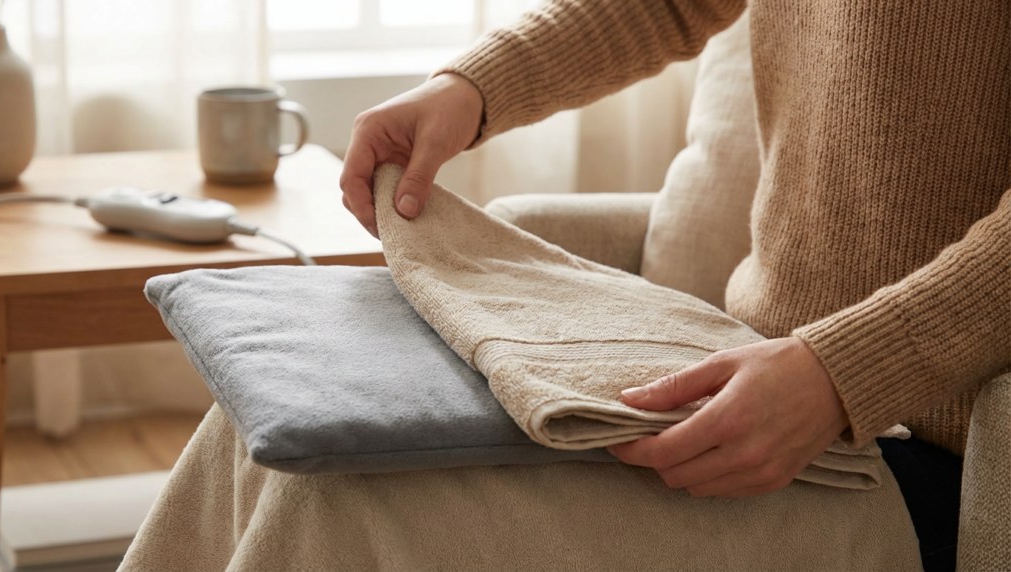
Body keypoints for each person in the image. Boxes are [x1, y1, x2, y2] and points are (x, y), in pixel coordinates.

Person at [339, 1, 1008, 569]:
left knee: (363, 504)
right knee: (297, 467)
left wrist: (844, 375)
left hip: (943, 444)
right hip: (747, 359)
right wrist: (472, 87)